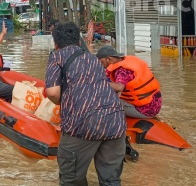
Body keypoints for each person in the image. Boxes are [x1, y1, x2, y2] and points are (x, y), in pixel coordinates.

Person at [45, 22, 126, 186]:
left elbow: (52, 92)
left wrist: (66, 103)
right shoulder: (93, 59)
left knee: (71, 179)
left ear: (55, 42)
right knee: (111, 180)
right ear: (78, 40)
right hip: (115, 122)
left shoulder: (57, 56)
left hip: (82, 124)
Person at [96, 46, 162, 119]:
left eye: (101, 62)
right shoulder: (128, 61)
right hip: (154, 104)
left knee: (103, 102)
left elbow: (119, 87)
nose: (100, 65)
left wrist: (98, 82)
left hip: (144, 110)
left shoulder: (122, 70)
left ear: (109, 59)